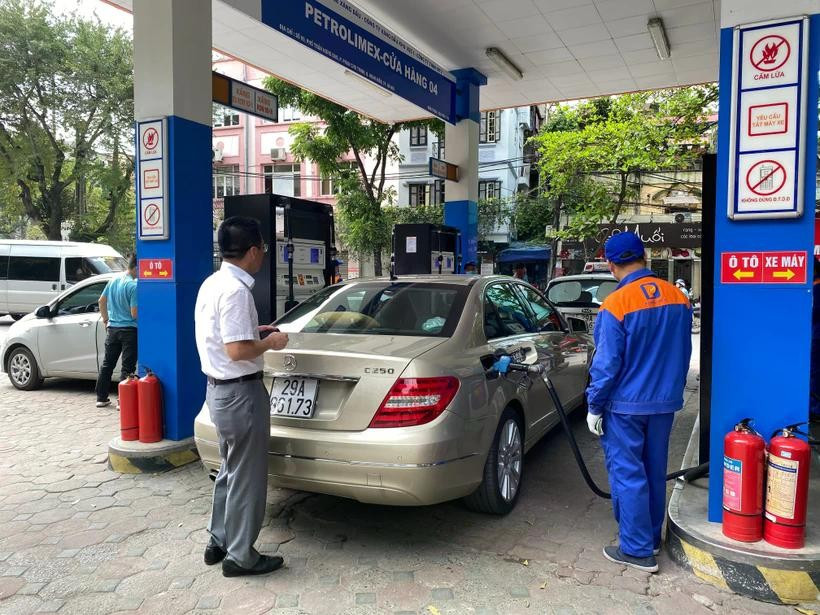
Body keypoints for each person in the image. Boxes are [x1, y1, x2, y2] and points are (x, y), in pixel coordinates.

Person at [585, 231, 692, 574]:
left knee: (628, 474)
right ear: (643, 257)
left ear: (611, 263)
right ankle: (650, 536)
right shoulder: (679, 297)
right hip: (663, 403)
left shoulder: (616, 304)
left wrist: (594, 405)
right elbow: (684, 352)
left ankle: (636, 550)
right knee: (654, 471)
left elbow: (606, 364)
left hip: (625, 406)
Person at [194, 216, 289, 578]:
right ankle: (241, 556)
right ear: (252, 251)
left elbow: (223, 338)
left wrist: (254, 333)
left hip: (218, 392)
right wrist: (270, 342)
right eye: (262, 247)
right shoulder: (236, 292)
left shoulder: (212, 284)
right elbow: (236, 350)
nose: (263, 253)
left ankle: (218, 540)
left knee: (229, 470)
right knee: (247, 476)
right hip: (241, 393)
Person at [95, 254, 138, 408]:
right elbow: (134, 313)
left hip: (112, 329)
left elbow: (101, 301)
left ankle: (101, 397)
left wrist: (106, 320)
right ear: (137, 267)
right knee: (127, 367)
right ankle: (123, 400)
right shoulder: (134, 286)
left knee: (107, 364)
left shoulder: (114, 280)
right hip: (130, 330)